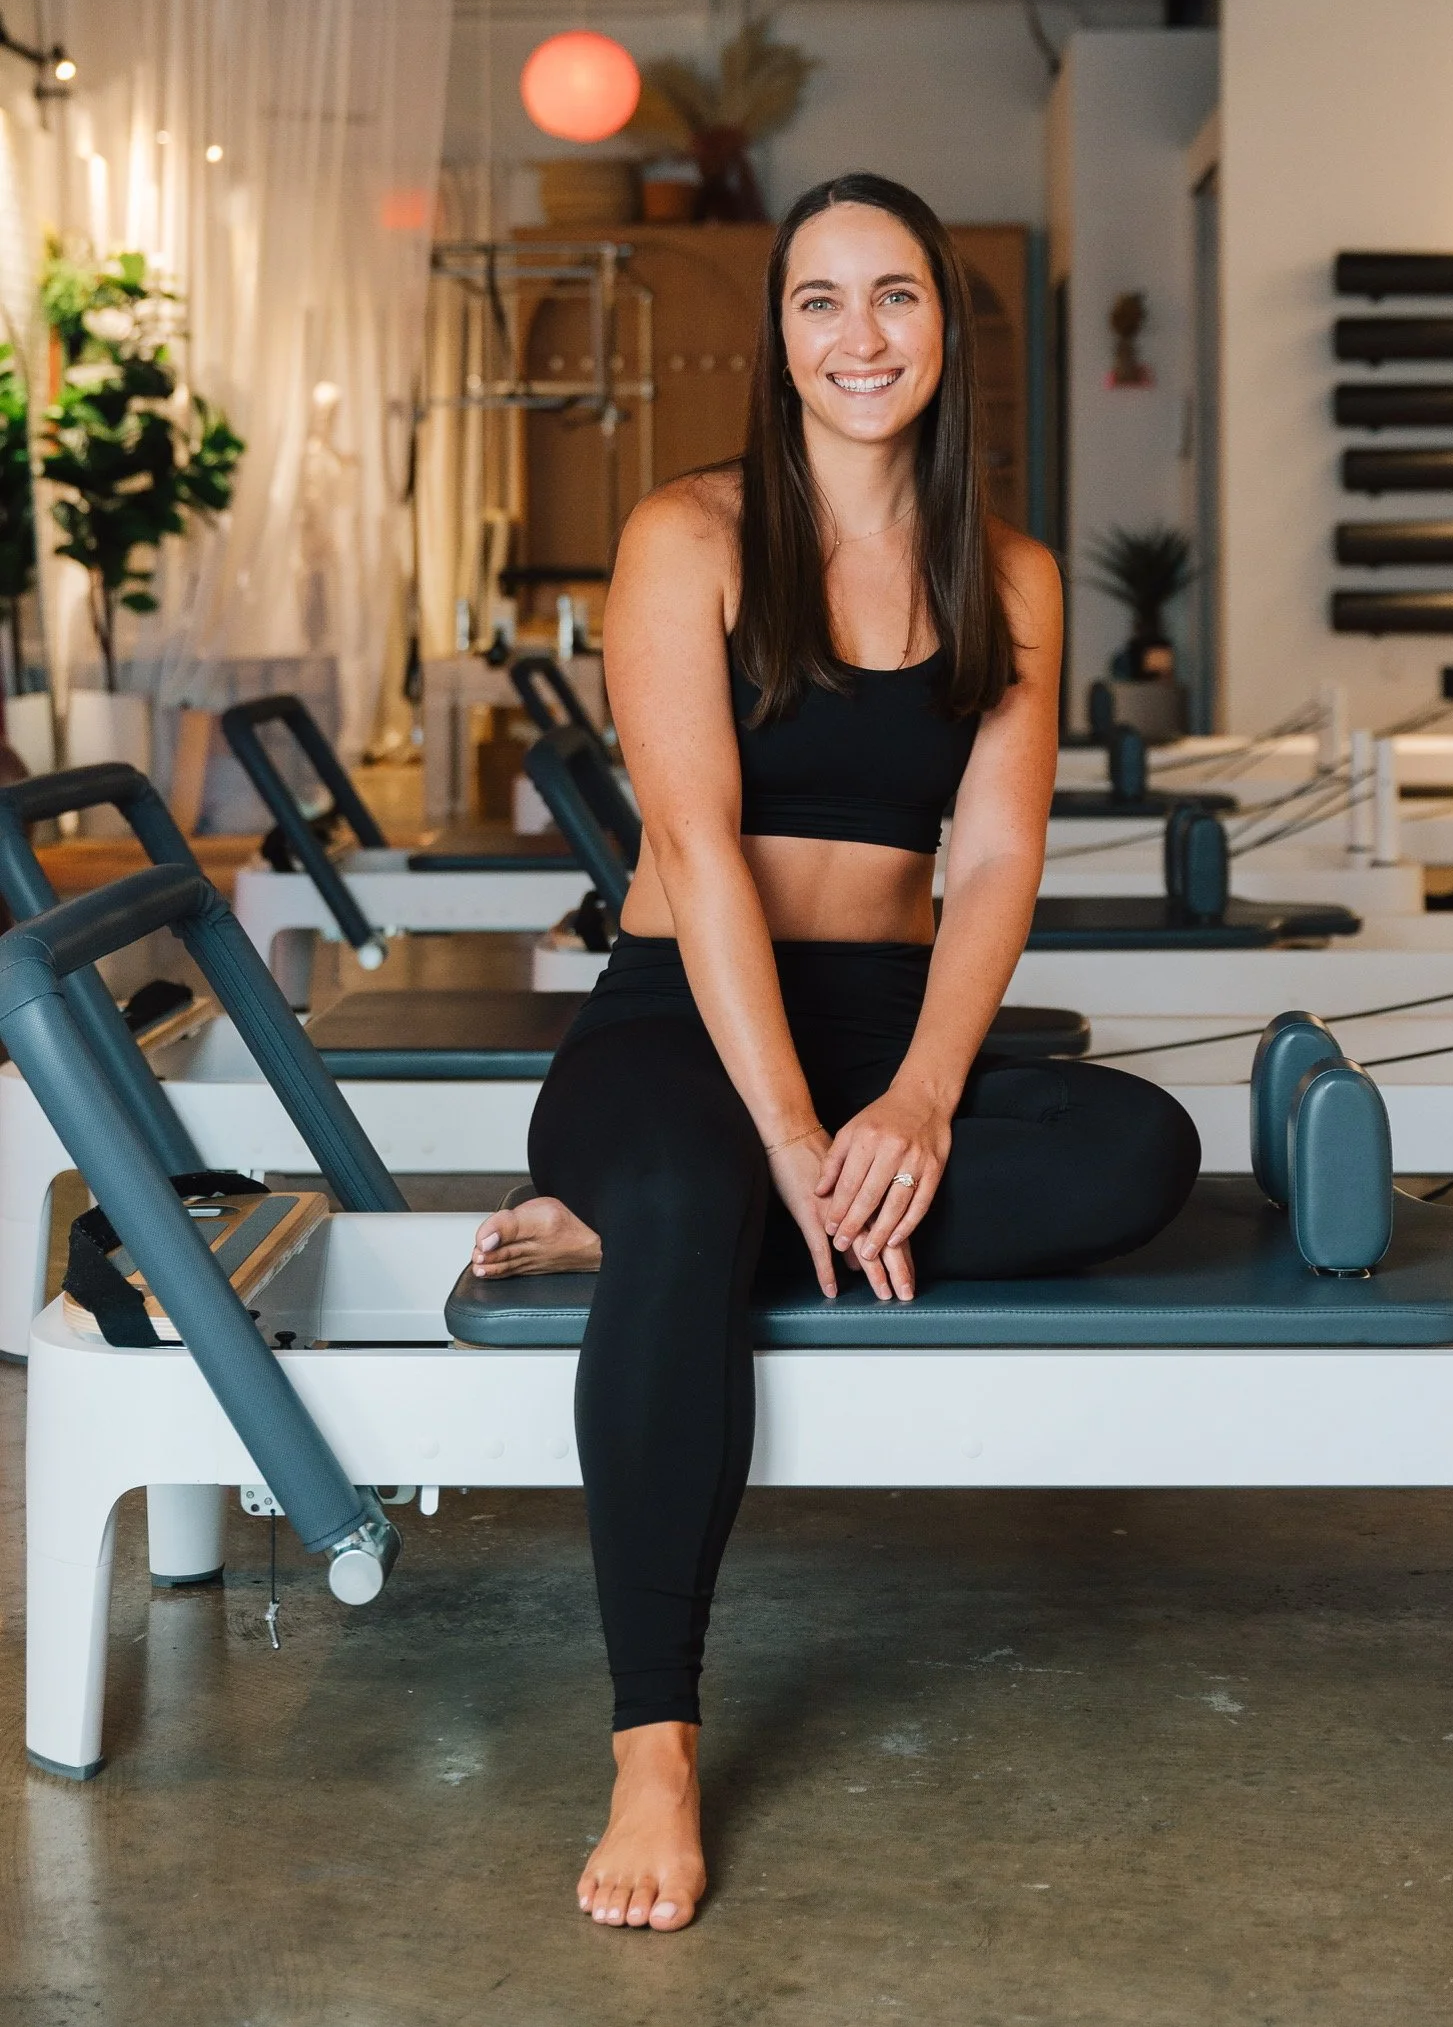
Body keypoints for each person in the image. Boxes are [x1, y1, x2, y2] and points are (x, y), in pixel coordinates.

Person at [470, 171, 1200, 1933]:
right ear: (779, 335)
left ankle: (659, 1214)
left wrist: (921, 1097)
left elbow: (1000, 862)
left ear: (945, 330)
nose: (856, 336)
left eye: (894, 299)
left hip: (881, 1026)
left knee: (1141, 1147)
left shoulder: (1006, 573)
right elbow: (701, 849)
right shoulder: (692, 535)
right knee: (701, 1168)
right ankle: (655, 1739)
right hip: (678, 1010)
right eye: (818, 301)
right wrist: (795, 1132)